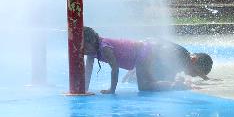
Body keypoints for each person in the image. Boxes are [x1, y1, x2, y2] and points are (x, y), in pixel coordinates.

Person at [84, 26, 213, 93]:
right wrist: (138, 67)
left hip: (142, 52)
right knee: (145, 84)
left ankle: (181, 85)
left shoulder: (183, 59)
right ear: (194, 59)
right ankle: (181, 86)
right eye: (194, 73)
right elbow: (155, 47)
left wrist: (205, 78)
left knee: (144, 84)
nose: (191, 74)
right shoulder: (183, 56)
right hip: (145, 51)